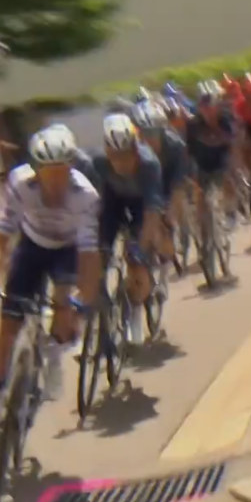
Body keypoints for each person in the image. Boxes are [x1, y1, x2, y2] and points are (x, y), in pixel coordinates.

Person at [0, 127, 102, 452]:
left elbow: (89, 256)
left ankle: (55, 356)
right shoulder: (20, 183)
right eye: (49, 173)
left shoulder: (86, 196)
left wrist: (82, 301)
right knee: (6, 332)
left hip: (67, 251)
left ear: (72, 167)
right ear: (36, 170)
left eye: (63, 172)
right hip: (31, 247)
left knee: (62, 305)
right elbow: (1, 234)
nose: (56, 181)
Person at [87, 114, 166, 345]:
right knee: (97, 256)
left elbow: (152, 214)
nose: (121, 163)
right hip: (113, 203)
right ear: (107, 152)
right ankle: (95, 320)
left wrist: (140, 250)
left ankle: (136, 313)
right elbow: (90, 205)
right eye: (115, 156)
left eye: (127, 155)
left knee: (136, 261)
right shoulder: (98, 163)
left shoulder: (149, 164)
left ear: (135, 148)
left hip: (141, 206)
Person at [131, 100, 189, 265]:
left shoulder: (175, 146)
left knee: (175, 204)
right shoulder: (134, 152)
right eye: (144, 134)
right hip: (150, 181)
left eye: (153, 133)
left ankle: (182, 233)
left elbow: (178, 187)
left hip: (170, 178)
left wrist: (170, 214)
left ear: (162, 130)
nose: (149, 139)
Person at [185, 81, 241, 233]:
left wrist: (234, 164)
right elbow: (188, 150)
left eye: (210, 106)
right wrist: (189, 172)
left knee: (227, 179)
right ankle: (205, 232)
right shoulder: (193, 124)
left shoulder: (226, 118)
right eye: (203, 107)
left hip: (221, 157)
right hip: (202, 162)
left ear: (217, 105)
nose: (207, 111)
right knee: (200, 197)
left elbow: (233, 141)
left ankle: (230, 212)